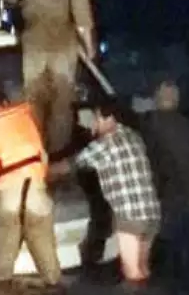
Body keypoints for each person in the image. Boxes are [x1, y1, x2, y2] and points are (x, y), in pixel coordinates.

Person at [1, 0, 95, 158]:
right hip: (62, 40)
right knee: (62, 105)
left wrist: (12, 0)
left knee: (32, 101)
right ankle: (57, 159)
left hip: (33, 38)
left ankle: (33, 155)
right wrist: (90, 47)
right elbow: (81, 11)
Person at [50, 99, 161, 283]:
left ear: (108, 118)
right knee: (143, 269)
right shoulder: (134, 136)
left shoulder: (106, 143)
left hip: (130, 215)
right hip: (151, 213)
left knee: (132, 273)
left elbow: (71, 164)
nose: (94, 123)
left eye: (96, 118)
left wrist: (39, 169)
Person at [0, 88, 63, 286]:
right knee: (51, 273)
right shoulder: (27, 120)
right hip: (37, 194)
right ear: (7, 102)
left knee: (3, 270)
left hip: (8, 196)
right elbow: (44, 158)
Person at [139, 79, 189, 281]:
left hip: (163, 200)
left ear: (158, 99)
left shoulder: (150, 124)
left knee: (161, 262)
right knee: (184, 255)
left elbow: (150, 162)